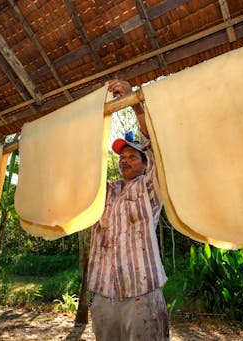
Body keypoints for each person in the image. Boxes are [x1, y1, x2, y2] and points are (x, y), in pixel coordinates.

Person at [87, 79, 169, 341]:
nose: (124, 160)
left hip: (141, 294)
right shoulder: (105, 190)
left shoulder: (150, 188)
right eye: (122, 157)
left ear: (145, 165)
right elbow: (82, 166)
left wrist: (134, 104)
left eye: (132, 156)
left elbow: (157, 149)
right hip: (103, 294)